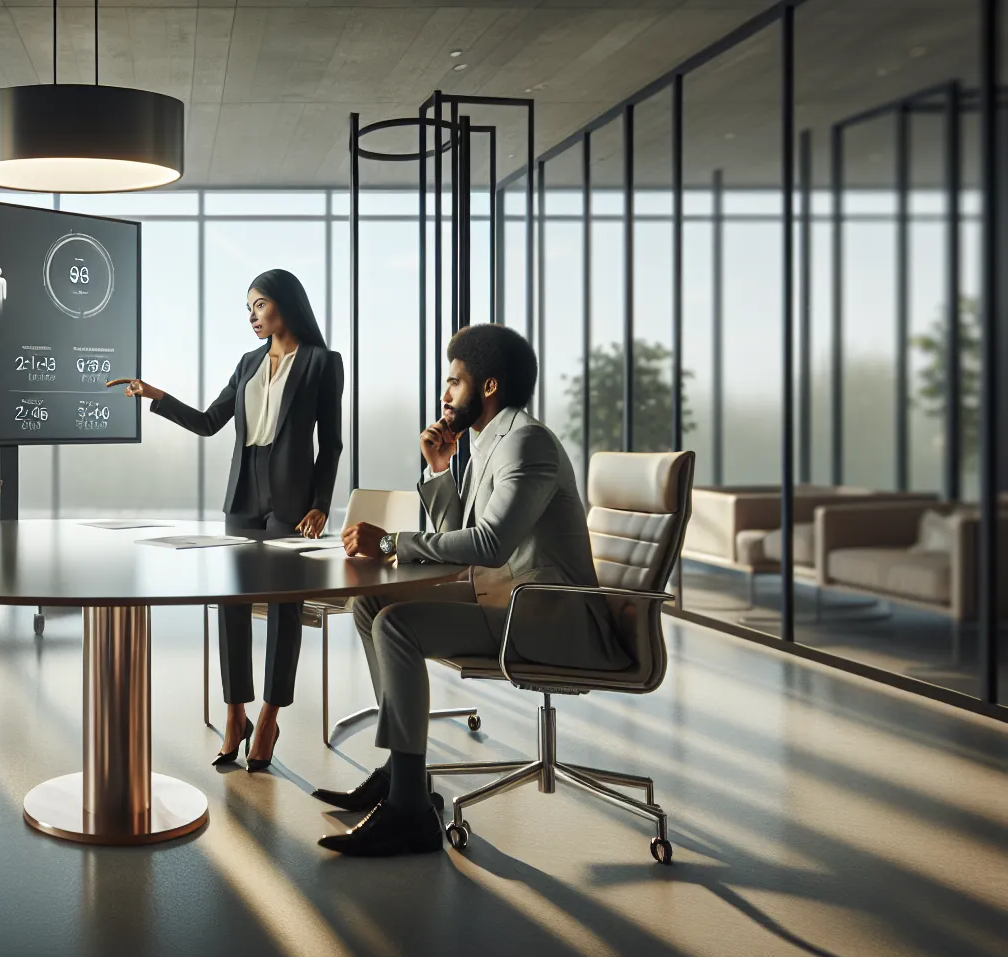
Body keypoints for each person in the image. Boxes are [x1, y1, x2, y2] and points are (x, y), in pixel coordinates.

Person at [316, 323, 626, 857]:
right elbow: (460, 532)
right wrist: (441, 469)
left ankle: (410, 812)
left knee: (397, 625)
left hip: (548, 616)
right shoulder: (489, 443)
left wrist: (392, 540)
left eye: (454, 381)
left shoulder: (527, 442)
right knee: (370, 604)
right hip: (504, 598)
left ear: (489, 387)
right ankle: (400, 772)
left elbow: (489, 544)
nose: (443, 394)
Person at [109, 269, 343, 773]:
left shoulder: (324, 363)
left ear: (284, 303)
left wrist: (321, 502)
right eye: (248, 309)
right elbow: (210, 422)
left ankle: (269, 716)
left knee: (285, 608)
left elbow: (332, 442)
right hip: (242, 495)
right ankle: (234, 712)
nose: (252, 317)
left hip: (293, 500)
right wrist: (154, 395)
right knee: (231, 602)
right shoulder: (248, 363)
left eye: (258, 305)